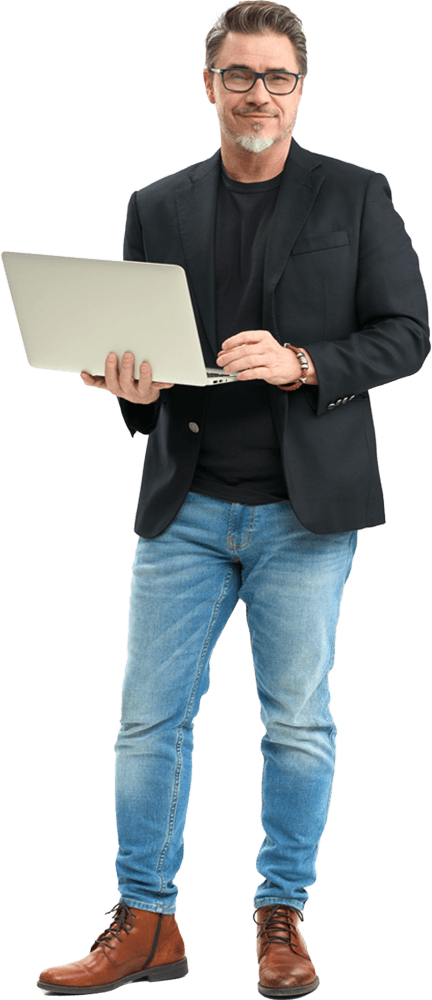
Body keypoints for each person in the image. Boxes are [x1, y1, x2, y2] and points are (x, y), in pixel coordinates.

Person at [37, 3, 430, 998]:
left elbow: (407, 334)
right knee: (146, 722)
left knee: (295, 722)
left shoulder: (356, 193)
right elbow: (147, 360)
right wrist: (131, 390)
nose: (261, 95)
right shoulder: (155, 204)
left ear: (302, 86)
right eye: (241, 76)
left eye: (280, 78)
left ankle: (281, 914)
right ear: (208, 84)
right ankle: (147, 921)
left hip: (307, 510)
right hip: (188, 504)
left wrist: (304, 360)